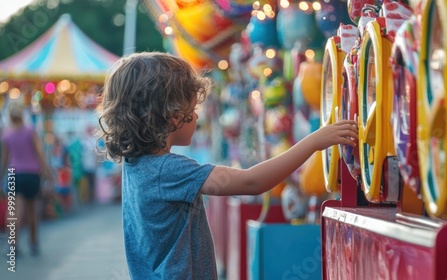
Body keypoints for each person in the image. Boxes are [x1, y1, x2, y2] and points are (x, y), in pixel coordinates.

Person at [97, 52, 358, 279]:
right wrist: (314, 141)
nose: (197, 115)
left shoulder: (136, 165)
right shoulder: (168, 171)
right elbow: (252, 182)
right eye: (193, 108)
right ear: (174, 117)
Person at [0, 100, 54, 256]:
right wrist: (48, 173)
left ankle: (12, 245)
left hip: (13, 175)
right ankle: (34, 242)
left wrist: (2, 177)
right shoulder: (30, 131)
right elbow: (39, 154)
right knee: (32, 211)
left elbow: (5, 159)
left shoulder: (6, 135)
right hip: (31, 175)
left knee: (13, 211)